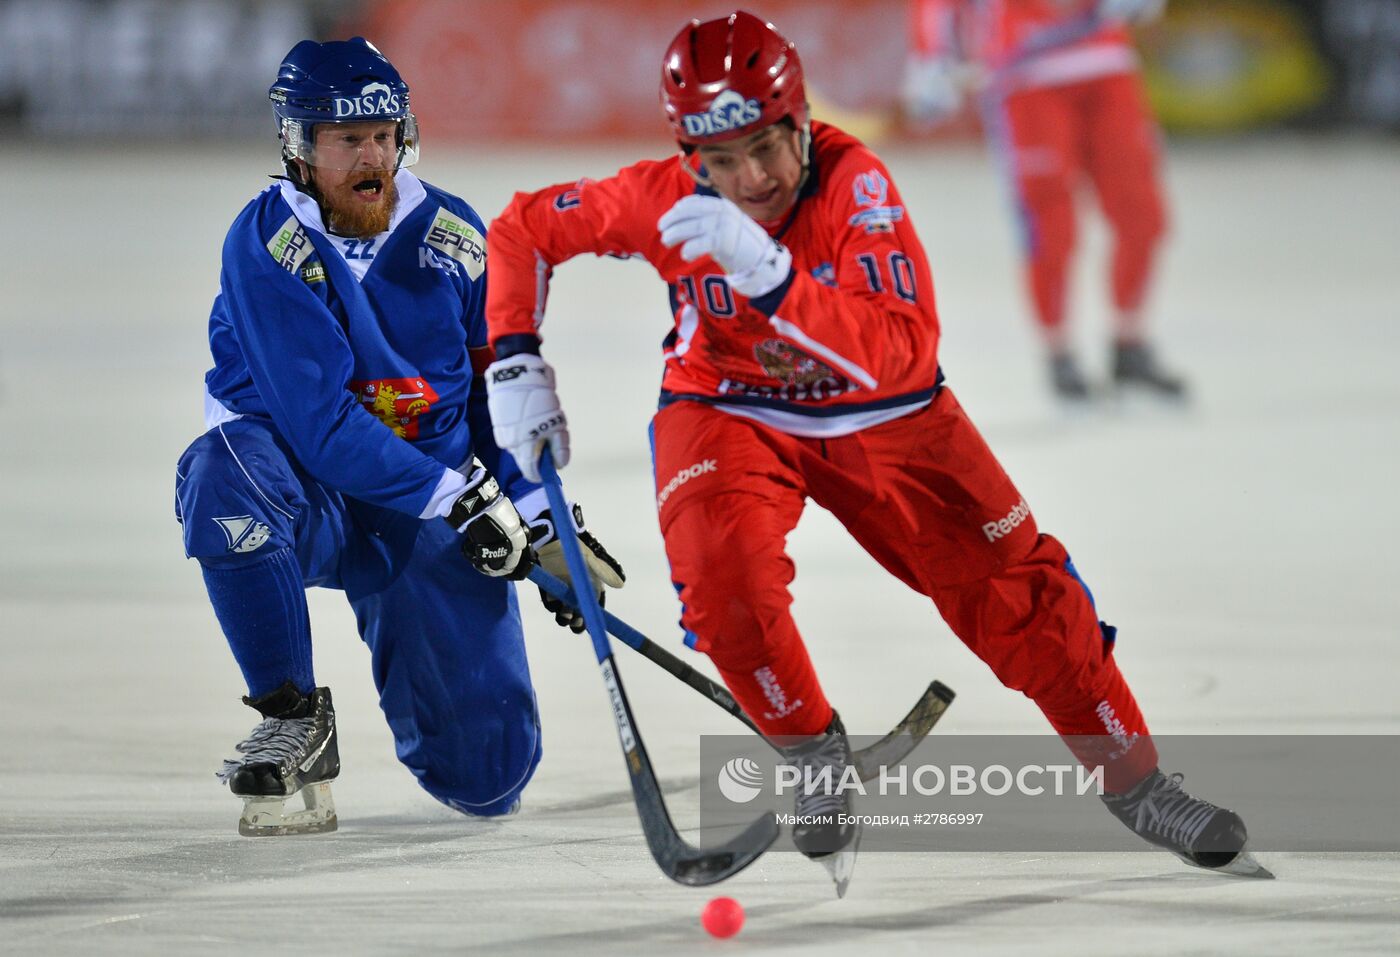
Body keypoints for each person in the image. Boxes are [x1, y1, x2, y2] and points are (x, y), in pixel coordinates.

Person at [482, 10, 1260, 879]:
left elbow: (902, 353)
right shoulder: (665, 195)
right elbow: (523, 228)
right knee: (721, 580)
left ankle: (1137, 781)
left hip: (885, 414)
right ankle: (812, 751)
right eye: (720, 160)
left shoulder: (860, 191)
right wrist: (514, 358)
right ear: (688, 150)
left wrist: (773, 279)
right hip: (730, 406)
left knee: (1024, 604)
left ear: (802, 121)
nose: (748, 179)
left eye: (764, 149)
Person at [174, 37, 623, 836]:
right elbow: (318, 427)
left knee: (488, 778)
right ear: (300, 149)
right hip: (308, 490)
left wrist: (541, 514)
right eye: (348, 140)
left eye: (383, 134)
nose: (371, 155)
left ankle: (466, 745)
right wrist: (463, 499)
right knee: (220, 479)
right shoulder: (266, 243)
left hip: (426, 501)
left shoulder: (455, 235)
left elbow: (491, 398)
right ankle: (291, 712)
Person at [902, 0, 1186, 401]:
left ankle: (1130, 345)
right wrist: (932, 59)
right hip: (1027, 77)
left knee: (1142, 215)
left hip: (1105, 63)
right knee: (1049, 224)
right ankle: (1059, 354)